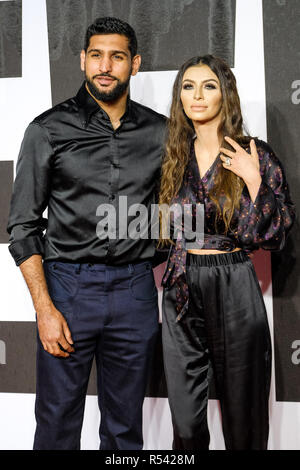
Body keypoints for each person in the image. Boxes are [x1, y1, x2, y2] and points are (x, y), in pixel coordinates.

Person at [7, 17, 166, 450]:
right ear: (82, 60)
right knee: (57, 426)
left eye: (117, 56)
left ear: (134, 64)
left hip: (135, 291)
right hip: (67, 291)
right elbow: (22, 226)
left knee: (124, 431)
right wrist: (44, 307)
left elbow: (177, 210)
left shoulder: (161, 132)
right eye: (96, 55)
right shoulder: (48, 129)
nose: (105, 65)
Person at [159, 55, 295, 450]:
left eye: (209, 86)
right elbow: (157, 230)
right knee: (184, 421)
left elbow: (275, 235)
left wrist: (254, 181)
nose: (197, 95)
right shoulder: (172, 156)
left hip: (233, 279)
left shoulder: (255, 153)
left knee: (245, 414)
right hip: (181, 289)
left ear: (226, 94)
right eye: (188, 86)